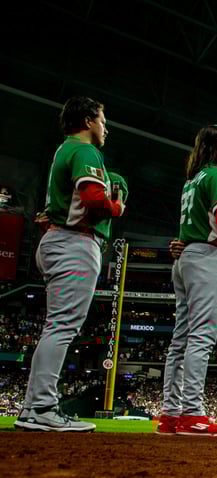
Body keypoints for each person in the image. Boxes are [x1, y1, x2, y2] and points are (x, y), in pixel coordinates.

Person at [17, 96, 123, 432]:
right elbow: (92, 199)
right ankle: (41, 407)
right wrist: (116, 207)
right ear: (90, 120)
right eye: (103, 121)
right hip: (74, 243)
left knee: (58, 325)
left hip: (61, 239)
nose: (105, 128)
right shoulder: (85, 151)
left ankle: (37, 406)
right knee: (62, 326)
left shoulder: (65, 150)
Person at [157, 125, 217, 437]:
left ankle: (171, 413)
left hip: (185, 258)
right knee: (201, 337)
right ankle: (192, 412)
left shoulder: (193, 179)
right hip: (208, 256)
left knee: (180, 338)